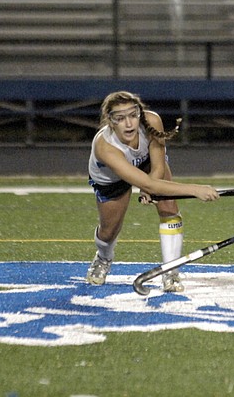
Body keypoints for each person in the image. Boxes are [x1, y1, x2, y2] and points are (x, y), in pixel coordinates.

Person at [86, 91, 219, 291]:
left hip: (146, 164)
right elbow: (148, 184)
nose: (129, 123)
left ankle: (170, 272)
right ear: (111, 121)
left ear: (140, 112)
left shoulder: (152, 121)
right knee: (108, 231)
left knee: (169, 207)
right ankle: (103, 258)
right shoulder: (105, 147)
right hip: (110, 179)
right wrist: (194, 189)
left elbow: (156, 168)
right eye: (120, 118)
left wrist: (151, 189)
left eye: (133, 115)